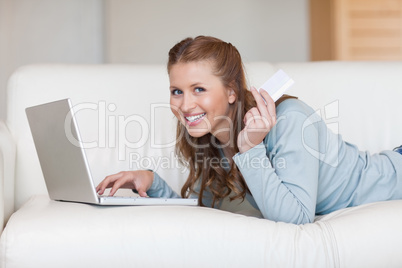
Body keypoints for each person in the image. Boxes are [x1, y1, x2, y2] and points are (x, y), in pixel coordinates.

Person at [96, 36, 402, 225]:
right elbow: (208, 208)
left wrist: (251, 148)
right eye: (176, 91)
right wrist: (151, 182)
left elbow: (296, 218)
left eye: (198, 89)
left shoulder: (290, 119)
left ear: (231, 91)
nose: (185, 104)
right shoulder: (209, 138)